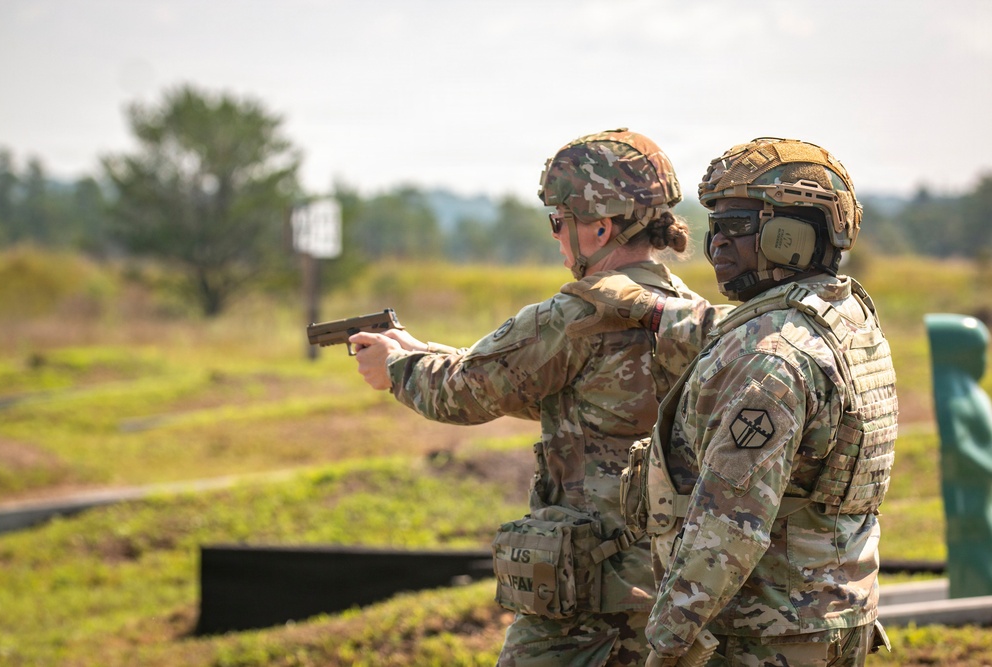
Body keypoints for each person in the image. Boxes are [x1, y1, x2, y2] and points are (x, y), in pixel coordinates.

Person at [351, 128, 725, 666]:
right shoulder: (687, 312)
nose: (556, 237)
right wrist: (421, 349)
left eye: (559, 221)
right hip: (672, 591)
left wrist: (396, 369)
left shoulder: (575, 315)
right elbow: (559, 393)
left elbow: (467, 394)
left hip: (585, 602)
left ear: (599, 227)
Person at [568, 138, 898, 665]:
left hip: (760, 635)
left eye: (739, 224)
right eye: (714, 225)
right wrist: (645, 306)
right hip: (830, 617)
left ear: (795, 232)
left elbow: (728, 529)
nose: (716, 243)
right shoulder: (849, 320)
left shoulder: (770, 360)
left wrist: (669, 642)